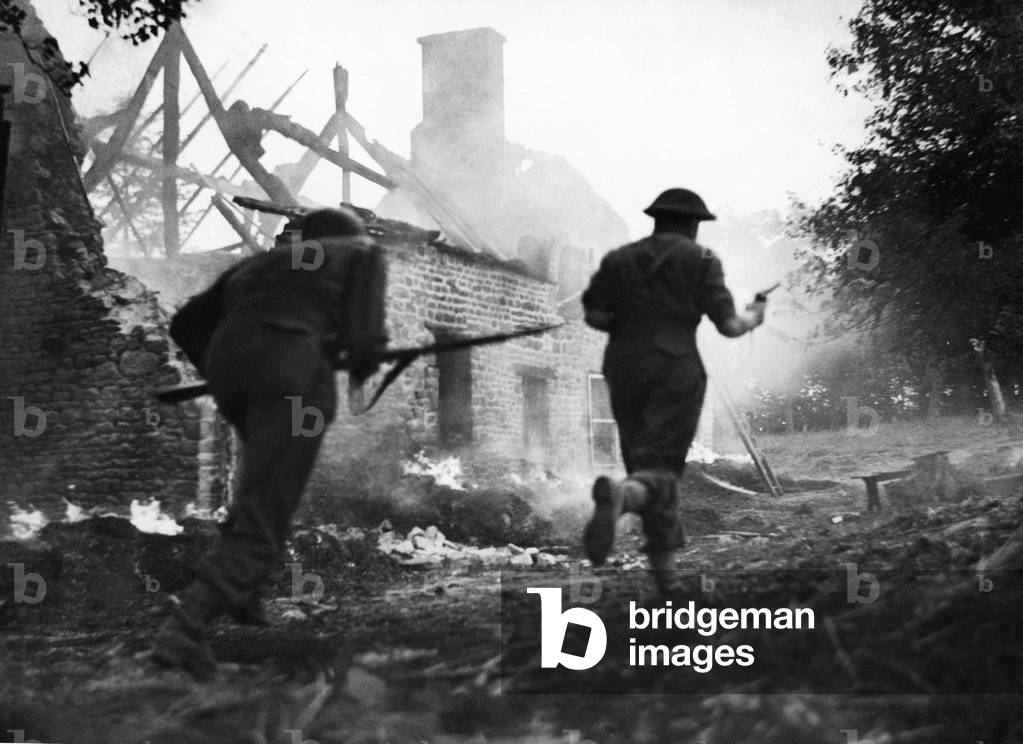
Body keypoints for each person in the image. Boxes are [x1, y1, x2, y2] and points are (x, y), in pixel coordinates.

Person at [152, 207, 387, 679]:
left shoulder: (256, 264)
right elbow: (365, 340)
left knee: (255, 482)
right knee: (269, 503)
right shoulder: (364, 252)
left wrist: (230, 366)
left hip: (232, 377)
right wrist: (352, 358)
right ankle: (184, 627)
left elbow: (185, 326)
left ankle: (245, 595)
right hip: (293, 381)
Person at [580, 188, 765, 596]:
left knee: (644, 462)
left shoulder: (619, 258)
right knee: (661, 467)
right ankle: (622, 498)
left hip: (623, 366)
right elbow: (729, 327)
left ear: (657, 219)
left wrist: (628, 324)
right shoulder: (700, 259)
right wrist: (755, 315)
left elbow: (592, 312)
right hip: (674, 364)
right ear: (694, 224)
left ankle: (667, 580)